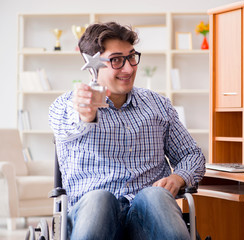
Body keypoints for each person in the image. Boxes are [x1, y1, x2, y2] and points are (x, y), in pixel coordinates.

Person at [48, 22, 206, 240]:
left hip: (148, 216)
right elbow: (70, 127)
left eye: (131, 57)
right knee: (100, 199)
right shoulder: (66, 106)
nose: (129, 68)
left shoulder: (158, 105)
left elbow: (192, 155)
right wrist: (86, 115)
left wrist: (178, 177)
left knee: (155, 197)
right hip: (92, 215)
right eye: (116, 60)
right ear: (92, 65)